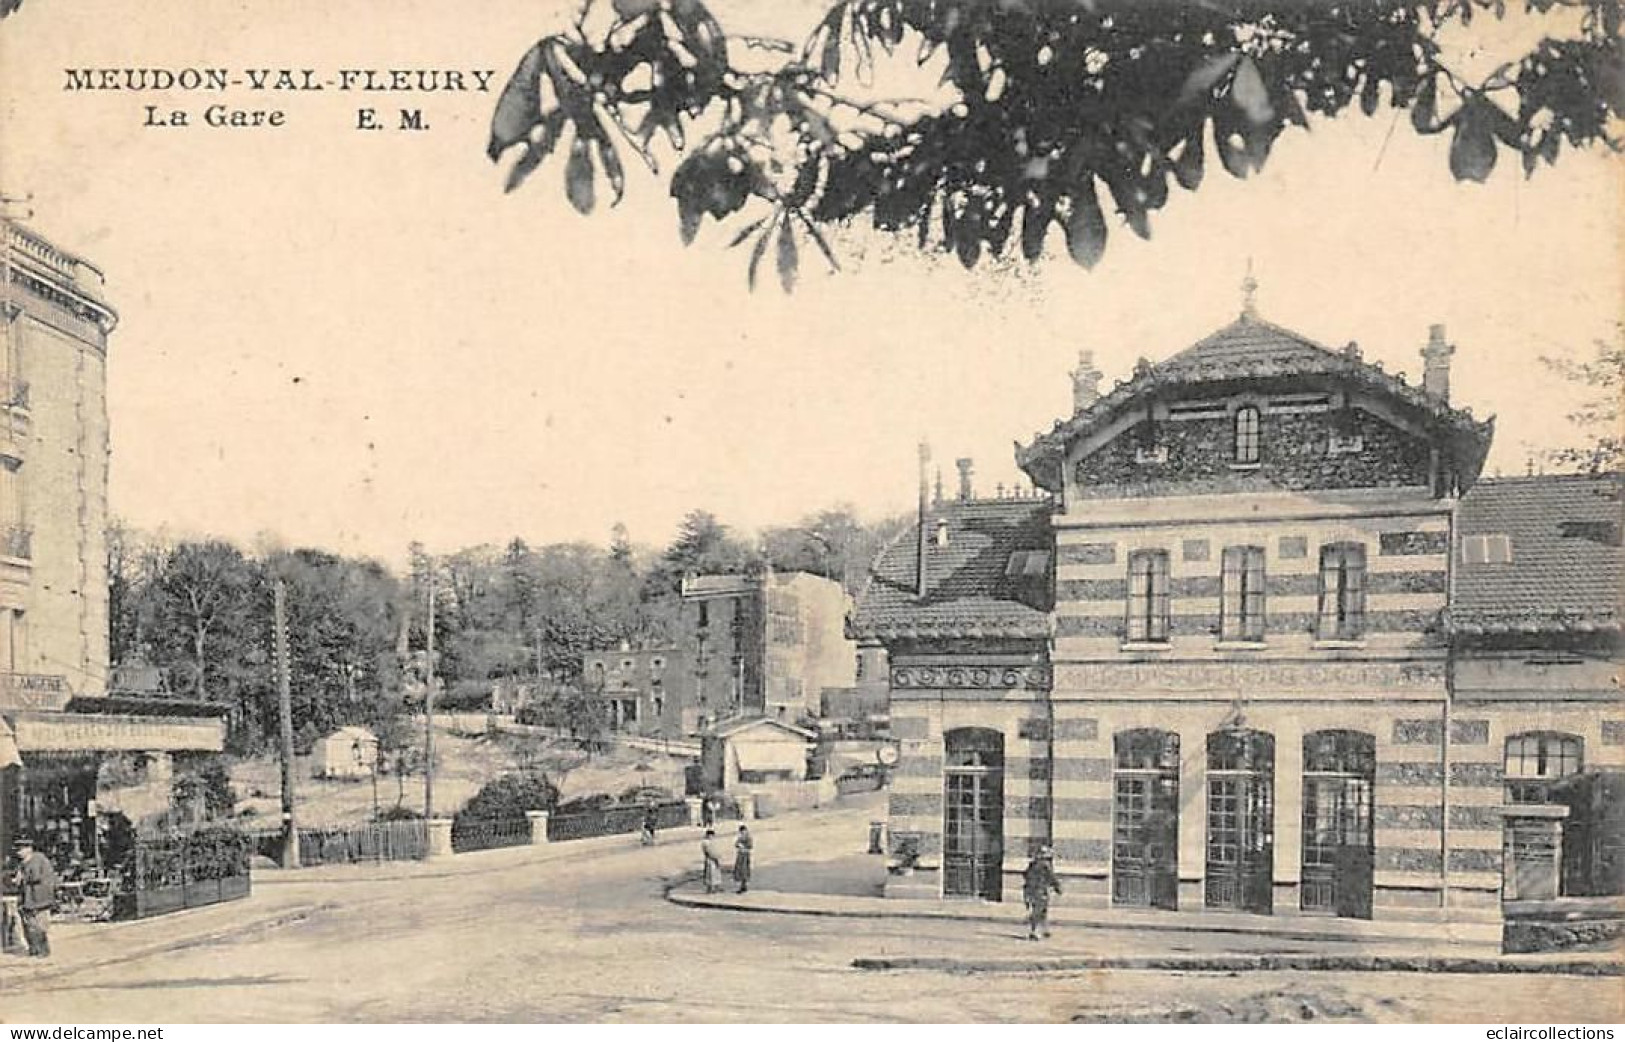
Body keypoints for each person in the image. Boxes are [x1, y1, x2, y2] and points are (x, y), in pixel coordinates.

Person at [12, 835, 58, 958]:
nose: (19, 852)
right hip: (27, 898)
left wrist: (22, 877)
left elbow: (37, 876)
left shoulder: (38, 859)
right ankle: (34, 948)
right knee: (28, 925)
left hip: (40, 898)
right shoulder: (22, 863)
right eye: (17, 849)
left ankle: (43, 950)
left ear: (29, 849)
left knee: (39, 925)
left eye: (21, 849)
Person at [1022, 846, 1062, 941]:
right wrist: (1057, 887)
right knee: (1039, 910)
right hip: (1040, 890)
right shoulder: (1045, 865)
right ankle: (1034, 931)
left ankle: (1044, 929)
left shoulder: (1032, 864)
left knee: (1041, 910)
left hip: (1031, 890)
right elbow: (1052, 877)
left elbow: (1025, 875)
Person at [700, 828, 723, 894]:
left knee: (715, 873)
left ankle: (716, 887)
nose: (712, 837)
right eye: (711, 835)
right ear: (708, 835)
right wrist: (715, 857)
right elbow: (710, 852)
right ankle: (710, 888)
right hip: (710, 859)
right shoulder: (706, 842)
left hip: (713, 859)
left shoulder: (710, 842)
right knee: (710, 874)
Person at [732, 824, 753, 894]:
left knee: (744, 870)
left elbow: (750, 846)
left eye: (743, 831)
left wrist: (743, 846)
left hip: (745, 855)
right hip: (740, 855)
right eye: (741, 831)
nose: (743, 832)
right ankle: (742, 886)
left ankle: (744, 886)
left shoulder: (748, 837)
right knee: (740, 870)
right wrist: (738, 845)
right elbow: (736, 844)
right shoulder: (740, 837)